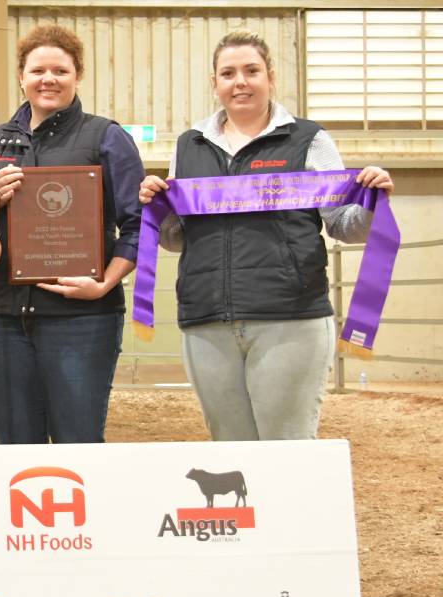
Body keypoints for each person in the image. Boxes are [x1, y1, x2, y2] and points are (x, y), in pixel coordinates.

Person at [139, 29, 394, 441]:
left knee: (287, 447)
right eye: (228, 73)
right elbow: (178, 237)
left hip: (289, 318)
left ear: (270, 77)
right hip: (206, 320)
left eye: (251, 70)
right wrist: (157, 208)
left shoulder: (309, 140)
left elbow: (343, 224)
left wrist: (372, 203)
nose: (240, 81)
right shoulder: (189, 145)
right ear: (215, 83)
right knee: (231, 450)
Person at [0, 24, 144, 444]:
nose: (48, 79)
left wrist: (105, 283)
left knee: (79, 443)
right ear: (21, 75)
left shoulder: (107, 137)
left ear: (77, 75)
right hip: (6, 318)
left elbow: (138, 223)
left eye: (60, 70)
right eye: (37, 70)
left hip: (82, 320)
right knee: (15, 447)